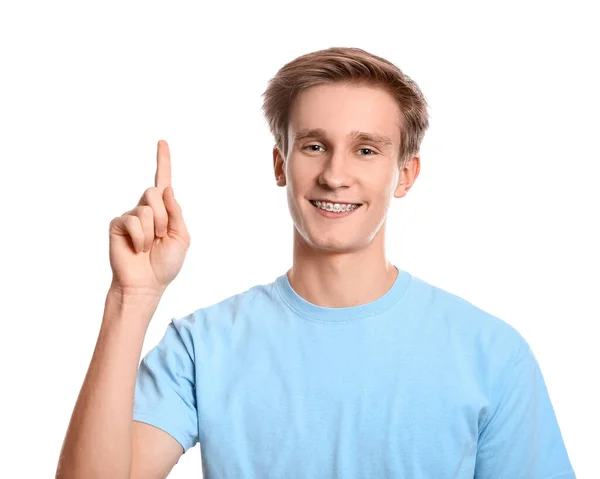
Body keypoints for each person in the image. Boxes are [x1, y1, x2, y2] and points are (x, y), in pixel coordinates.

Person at [56, 47, 576, 478]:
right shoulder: (202, 346)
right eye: (313, 146)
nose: (334, 174)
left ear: (406, 174)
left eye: (366, 150)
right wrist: (132, 298)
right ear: (281, 164)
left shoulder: (492, 356)